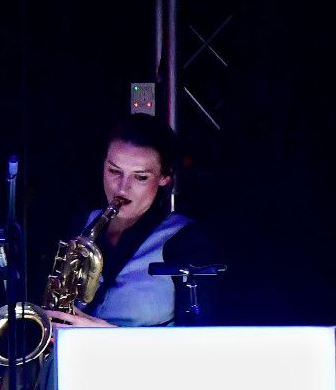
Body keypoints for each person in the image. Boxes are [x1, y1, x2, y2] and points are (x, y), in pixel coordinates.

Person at [49, 116, 217, 327]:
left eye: (140, 177)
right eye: (114, 171)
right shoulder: (80, 224)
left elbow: (198, 339)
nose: (122, 188)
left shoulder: (186, 240)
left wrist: (108, 337)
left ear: (164, 177)